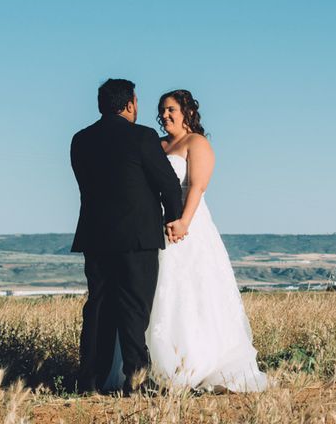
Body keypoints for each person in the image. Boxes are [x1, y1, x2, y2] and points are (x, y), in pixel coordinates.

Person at [102, 89, 268, 393]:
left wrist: (184, 222)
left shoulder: (197, 143)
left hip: (188, 225)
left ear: (187, 111)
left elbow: (196, 186)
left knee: (192, 293)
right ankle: (149, 368)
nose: (165, 115)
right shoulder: (157, 144)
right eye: (162, 110)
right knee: (154, 294)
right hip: (156, 228)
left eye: (171, 110)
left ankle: (194, 363)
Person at [70, 79, 186, 395]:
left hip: (95, 237)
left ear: (101, 105)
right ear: (131, 103)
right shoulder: (142, 137)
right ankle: (136, 381)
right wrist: (173, 217)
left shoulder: (80, 140)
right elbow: (168, 184)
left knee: (97, 308)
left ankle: (89, 379)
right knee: (134, 309)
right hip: (137, 237)